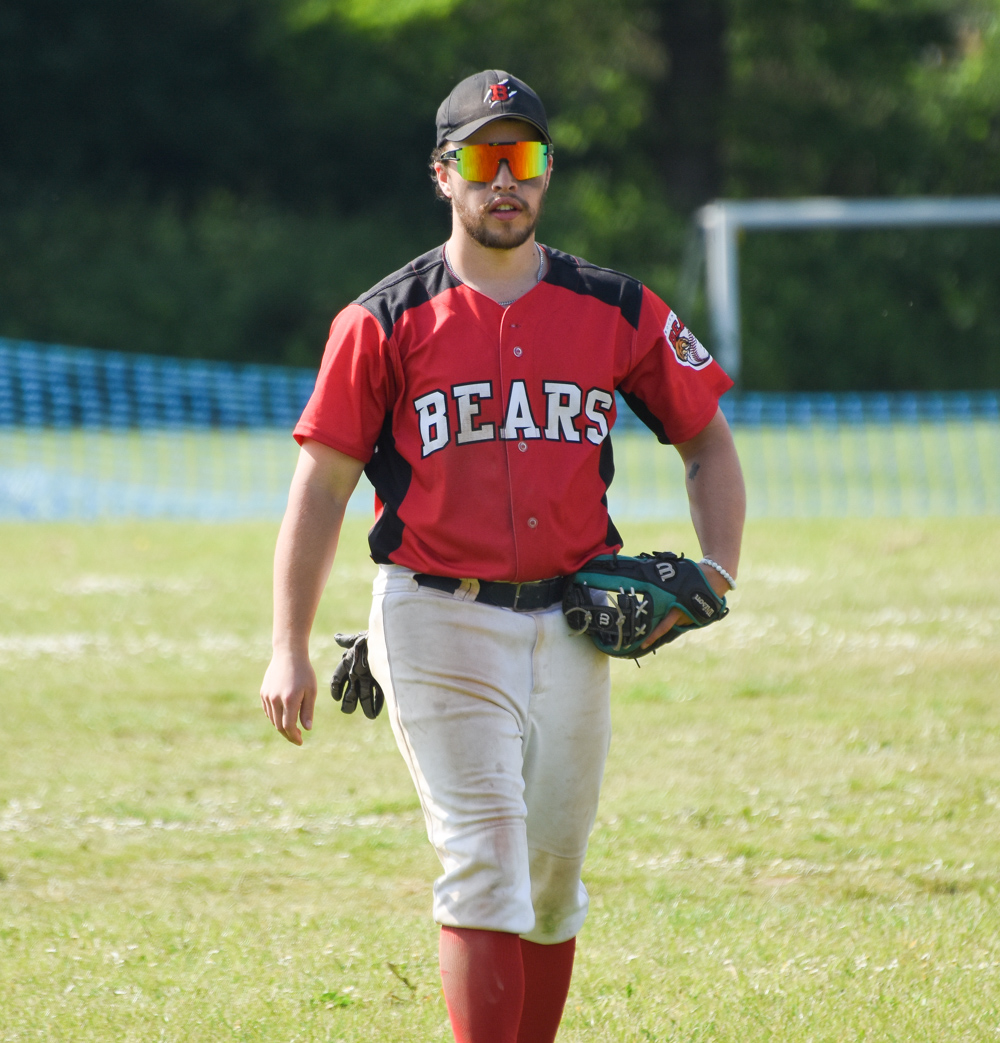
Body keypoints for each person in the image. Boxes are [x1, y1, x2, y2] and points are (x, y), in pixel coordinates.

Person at [260, 69, 745, 1043]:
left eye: (522, 158)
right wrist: (288, 645)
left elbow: (706, 441)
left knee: (553, 878)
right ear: (443, 173)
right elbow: (321, 487)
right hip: (434, 612)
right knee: (485, 862)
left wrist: (717, 572)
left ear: (547, 170)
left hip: (573, 618)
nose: (504, 181)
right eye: (482, 160)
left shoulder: (615, 306)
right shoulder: (382, 320)